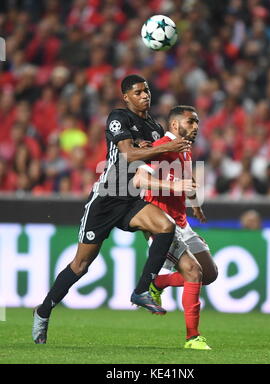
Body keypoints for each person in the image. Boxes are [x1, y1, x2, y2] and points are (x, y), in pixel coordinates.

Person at [32, 74, 193, 344]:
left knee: (166, 226)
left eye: (147, 91)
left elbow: (153, 154)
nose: (145, 96)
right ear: (126, 97)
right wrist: (155, 148)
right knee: (81, 265)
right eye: (139, 92)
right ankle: (44, 310)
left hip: (132, 198)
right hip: (107, 198)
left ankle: (142, 290)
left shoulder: (153, 126)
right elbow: (128, 154)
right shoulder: (118, 117)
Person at [133, 105, 218, 350]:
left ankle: (158, 282)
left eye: (198, 122)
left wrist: (195, 205)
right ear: (174, 125)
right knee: (193, 271)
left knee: (209, 274)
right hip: (160, 223)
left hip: (182, 222)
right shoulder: (161, 147)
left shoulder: (185, 151)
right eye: (191, 122)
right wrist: (175, 188)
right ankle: (193, 338)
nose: (196, 127)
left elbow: (185, 182)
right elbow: (140, 179)